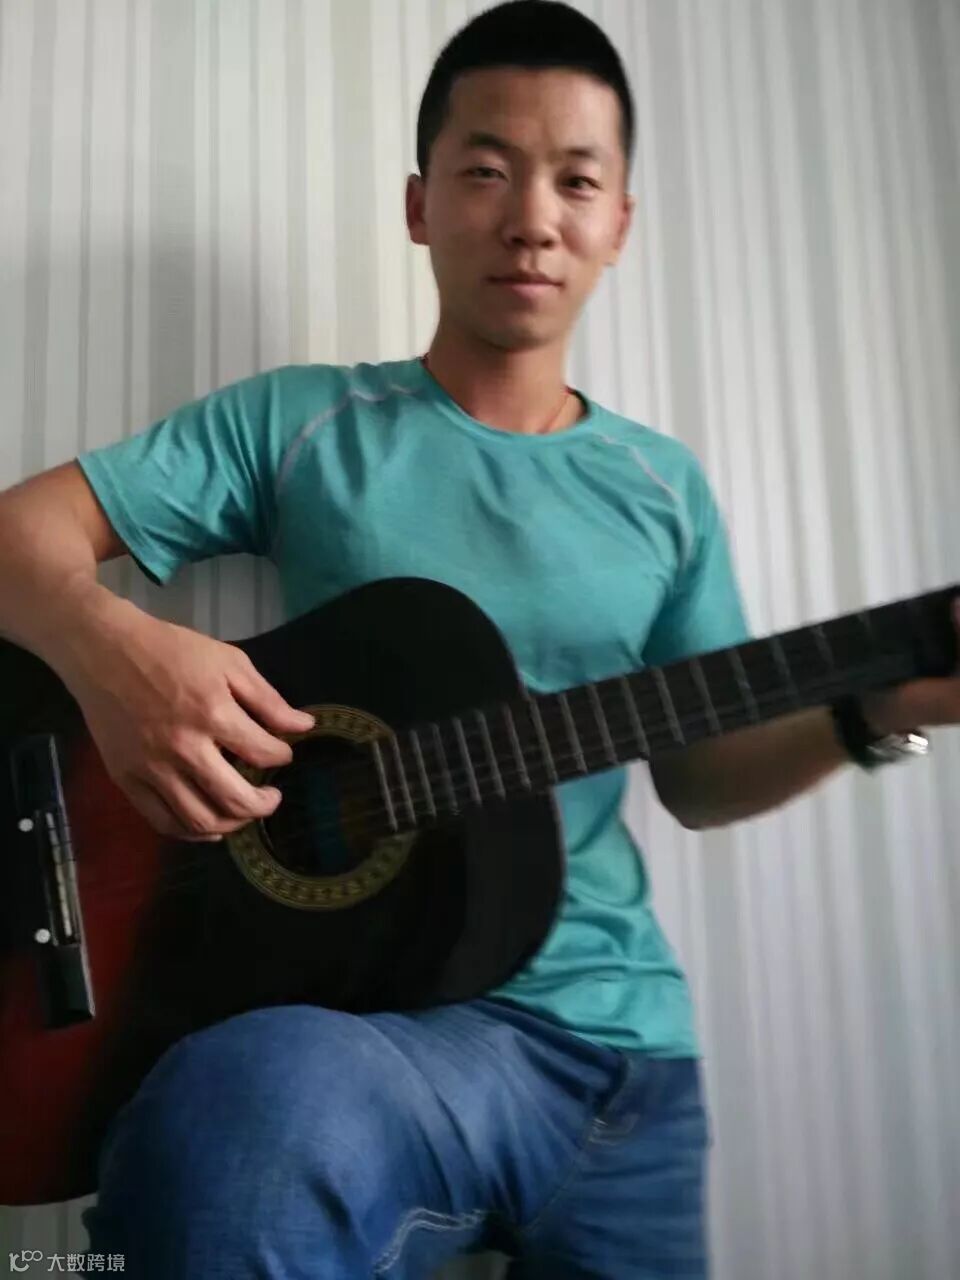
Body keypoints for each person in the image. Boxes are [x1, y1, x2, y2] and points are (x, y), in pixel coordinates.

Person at [1, 2, 957, 1276]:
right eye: (488, 170)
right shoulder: (302, 424)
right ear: (420, 203)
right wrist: (116, 655)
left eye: (577, 180)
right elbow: (19, 536)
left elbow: (701, 774)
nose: (532, 218)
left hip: (626, 1060)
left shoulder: (663, 487)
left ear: (620, 223)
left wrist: (873, 709)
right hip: (378, 1031)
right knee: (233, 1122)